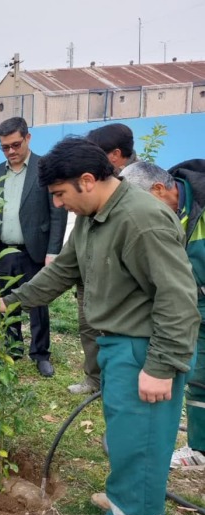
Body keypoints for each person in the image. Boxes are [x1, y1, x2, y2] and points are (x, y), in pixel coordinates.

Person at [0, 137, 199, 515]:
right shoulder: (92, 216)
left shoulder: (142, 220)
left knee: (142, 440)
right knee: (125, 435)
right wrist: (10, 302)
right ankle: (128, 500)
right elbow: (63, 271)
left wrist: (161, 366)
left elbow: (178, 297)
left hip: (145, 348)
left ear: (87, 181)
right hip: (117, 346)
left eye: (60, 194)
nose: (57, 204)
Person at [120, 159, 205, 466]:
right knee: (199, 376)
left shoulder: (200, 205)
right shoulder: (165, 212)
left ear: (159, 189)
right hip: (191, 302)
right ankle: (200, 447)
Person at [0, 117, 67, 377]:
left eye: (16, 144)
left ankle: (41, 353)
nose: (11, 151)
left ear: (28, 138)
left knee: (37, 303)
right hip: (3, 251)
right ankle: (12, 348)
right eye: (5, 147)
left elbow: (58, 215)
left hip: (35, 250)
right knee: (5, 302)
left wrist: (53, 251)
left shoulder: (45, 169)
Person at [69, 124, 140, 394]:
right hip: (90, 267)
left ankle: (118, 384)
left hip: (117, 276)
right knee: (88, 324)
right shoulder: (92, 182)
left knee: (118, 335)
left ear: (114, 155)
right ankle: (95, 379)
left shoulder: (139, 183)